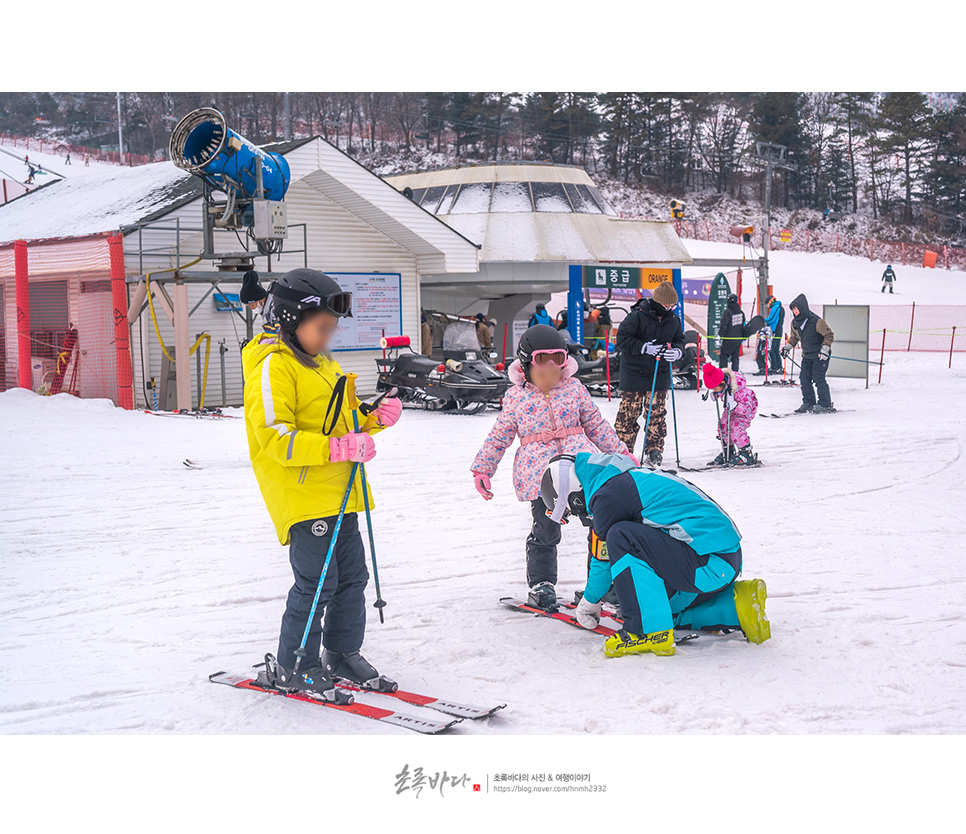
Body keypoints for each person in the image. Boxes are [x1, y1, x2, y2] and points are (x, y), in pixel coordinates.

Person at [241, 269, 403, 700]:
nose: (327, 337)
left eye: (332, 329)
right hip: (304, 494)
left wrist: (372, 420)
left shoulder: (322, 361)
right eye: (321, 329)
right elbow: (274, 437)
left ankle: (341, 652)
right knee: (316, 584)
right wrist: (338, 449)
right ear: (291, 321)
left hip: (341, 492)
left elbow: (339, 424)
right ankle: (296, 665)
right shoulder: (274, 366)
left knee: (352, 577)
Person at [541, 453, 770, 657]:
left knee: (621, 536)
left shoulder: (609, 496)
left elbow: (603, 559)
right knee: (660, 608)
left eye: (572, 508)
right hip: (722, 563)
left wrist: (590, 601)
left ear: (573, 494)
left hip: (707, 566)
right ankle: (735, 606)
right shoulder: (620, 479)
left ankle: (646, 632)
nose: (579, 514)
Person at [470, 324, 632, 610]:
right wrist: (483, 468)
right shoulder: (516, 397)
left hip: (582, 471)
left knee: (600, 527)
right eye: (542, 369)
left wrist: (621, 454)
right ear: (525, 366)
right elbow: (500, 435)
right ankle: (542, 584)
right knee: (545, 531)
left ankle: (602, 585)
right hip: (540, 476)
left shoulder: (574, 389)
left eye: (556, 366)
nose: (550, 376)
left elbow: (596, 425)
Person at [614, 281, 685, 467]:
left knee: (657, 414)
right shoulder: (637, 317)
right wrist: (644, 347)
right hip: (634, 374)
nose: (669, 309)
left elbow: (679, 341)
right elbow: (621, 340)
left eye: (673, 306)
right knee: (629, 414)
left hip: (659, 374)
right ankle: (623, 452)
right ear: (657, 301)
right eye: (666, 305)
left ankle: (654, 451)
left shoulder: (673, 320)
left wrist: (677, 352)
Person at [781, 293, 835, 413]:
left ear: (803, 308)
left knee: (818, 378)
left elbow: (829, 335)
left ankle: (825, 404)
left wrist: (825, 348)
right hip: (807, 355)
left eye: (796, 309)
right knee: (804, 379)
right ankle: (809, 402)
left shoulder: (816, 322)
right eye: (793, 310)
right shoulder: (795, 323)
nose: (795, 312)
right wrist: (788, 347)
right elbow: (794, 337)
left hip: (820, 355)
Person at [702, 364, 759, 466]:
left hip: (743, 414)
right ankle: (728, 450)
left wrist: (735, 405)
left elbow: (747, 409)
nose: (715, 391)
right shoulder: (724, 386)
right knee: (722, 425)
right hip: (730, 411)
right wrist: (717, 394)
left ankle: (746, 453)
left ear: (723, 383)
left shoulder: (742, 392)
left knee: (736, 429)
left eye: (715, 389)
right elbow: (722, 391)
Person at [717, 293, 745, 371]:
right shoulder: (741, 313)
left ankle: (723, 374)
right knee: (735, 357)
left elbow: (724, 325)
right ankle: (735, 375)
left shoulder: (728, 312)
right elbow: (743, 325)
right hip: (738, 339)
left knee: (724, 356)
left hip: (728, 339)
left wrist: (720, 335)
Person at [764, 295, 785, 374]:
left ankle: (774, 367)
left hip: (775, 331)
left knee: (772, 349)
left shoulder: (775, 308)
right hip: (779, 330)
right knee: (776, 350)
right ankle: (778, 367)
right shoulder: (780, 307)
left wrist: (763, 320)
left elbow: (771, 319)